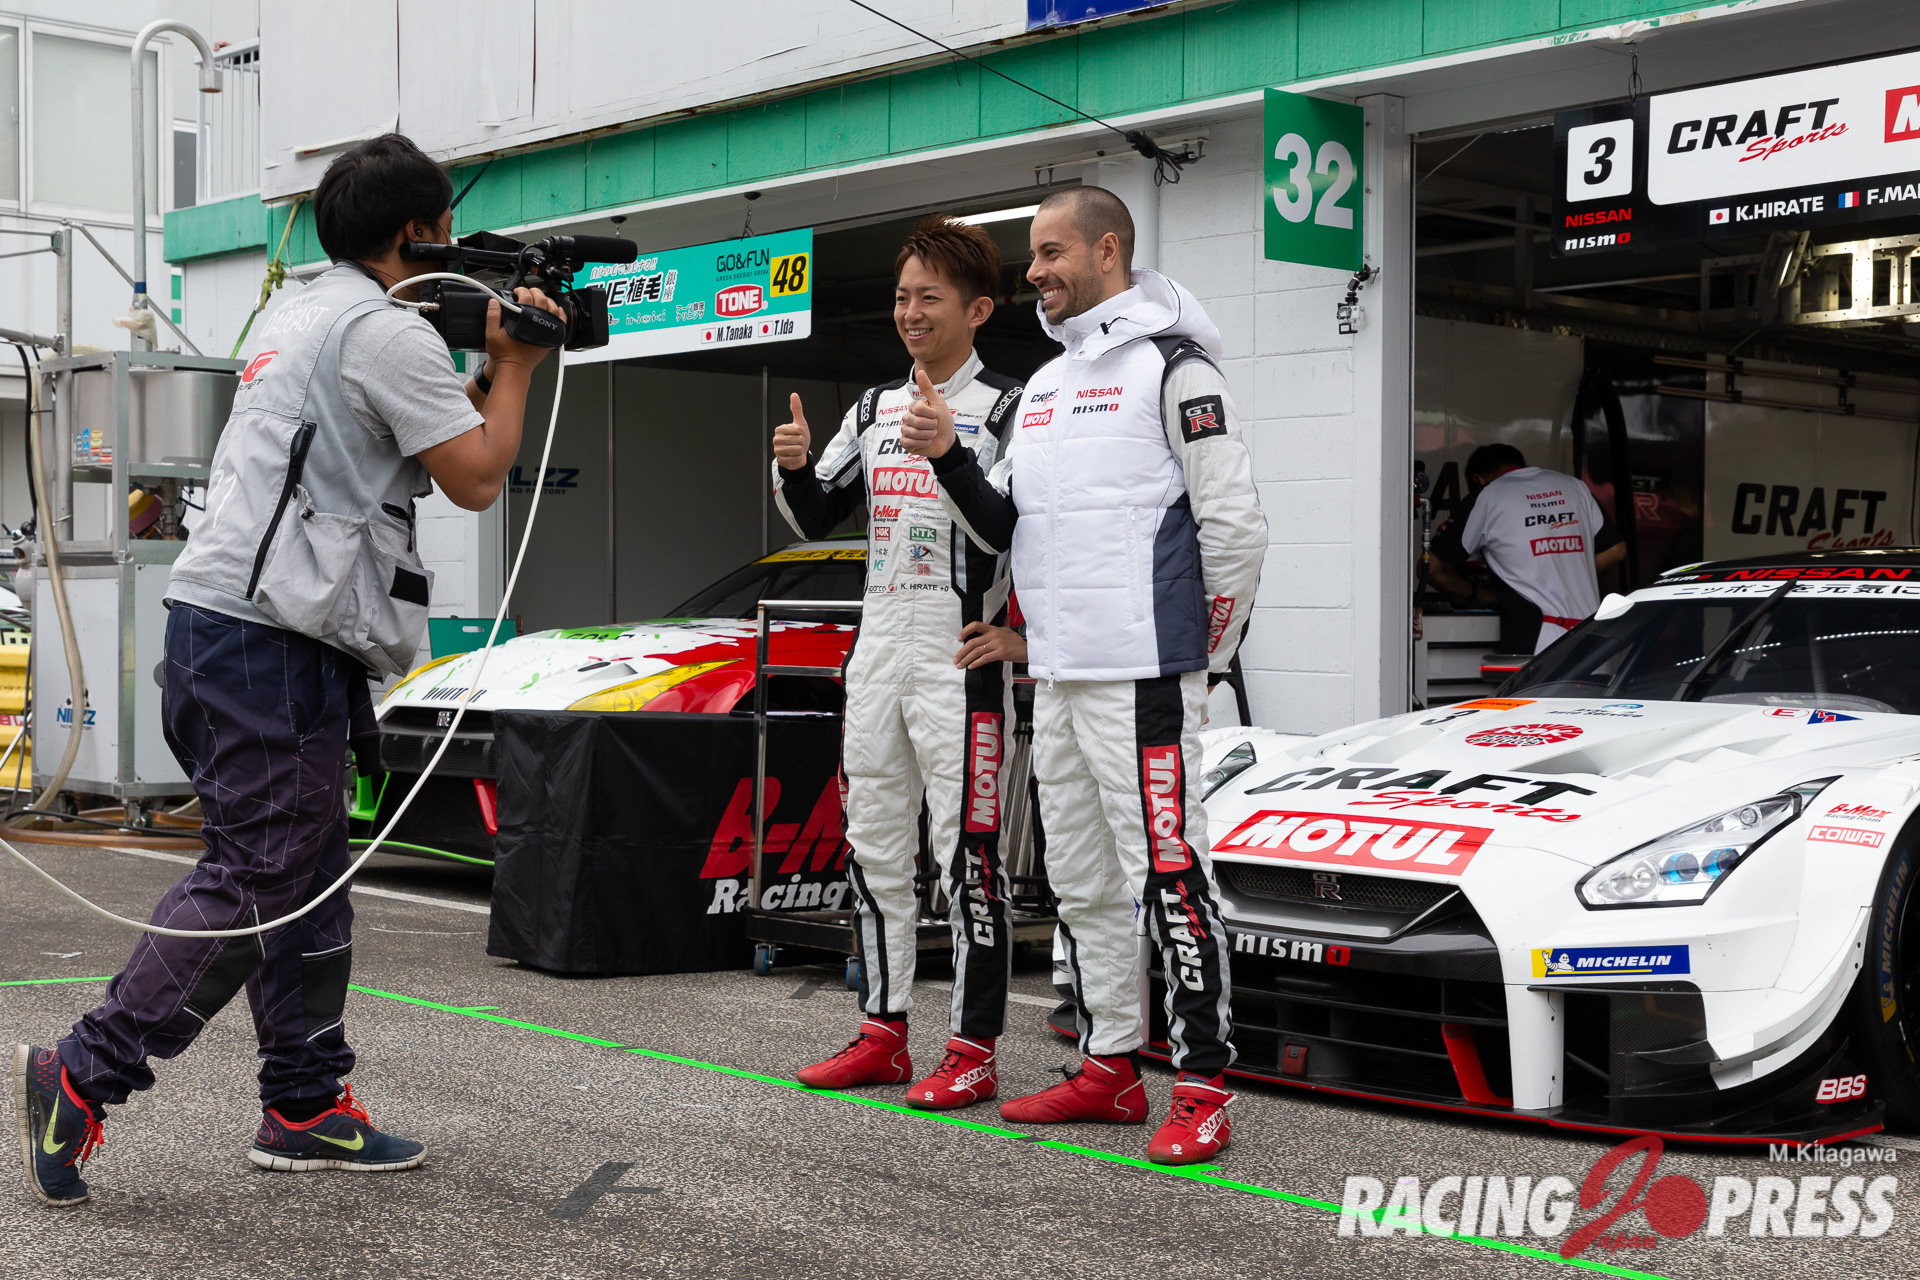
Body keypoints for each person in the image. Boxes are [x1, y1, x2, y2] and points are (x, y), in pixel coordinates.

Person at [14, 133, 565, 1206]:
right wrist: (518, 365)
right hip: (267, 641)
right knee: (265, 874)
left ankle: (304, 1103)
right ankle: (83, 1070)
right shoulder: (384, 331)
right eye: (447, 231)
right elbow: (478, 475)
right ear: (419, 232)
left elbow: (390, 440)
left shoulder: (302, 311)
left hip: (237, 632)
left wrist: (484, 357)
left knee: (305, 876)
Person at [900, 187, 1266, 1165]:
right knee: (1083, 884)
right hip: (1058, 681)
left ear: (1108, 250)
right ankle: (1110, 1066)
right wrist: (949, 458)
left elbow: (1235, 529)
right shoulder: (1048, 385)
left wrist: (1203, 652)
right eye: (1031, 255)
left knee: (1169, 876)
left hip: (1145, 678)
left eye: (1051, 252)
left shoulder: (1179, 368)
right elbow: (1003, 526)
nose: (1034, 272)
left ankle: (1203, 1086)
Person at [773, 216, 1025, 1109]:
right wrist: (794, 469)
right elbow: (818, 514)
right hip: (878, 646)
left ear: (978, 309)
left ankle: (973, 1049)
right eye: (901, 297)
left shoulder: (1010, 407)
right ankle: (882, 1033)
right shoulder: (875, 404)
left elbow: (1005, 532)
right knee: (875, 844)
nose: (911, 312)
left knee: (969, 859)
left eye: (930, 298)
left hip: (961, 655)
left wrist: (948, 452)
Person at [1426, 443, 1626, 654]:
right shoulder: (1575, 487)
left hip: (1539, 643)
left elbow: (1430, 568)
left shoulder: (1487, 496)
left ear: (1478, 479)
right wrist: (1564, 570)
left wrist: (1480, 594)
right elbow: (1616, 550)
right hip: (1592, 637)